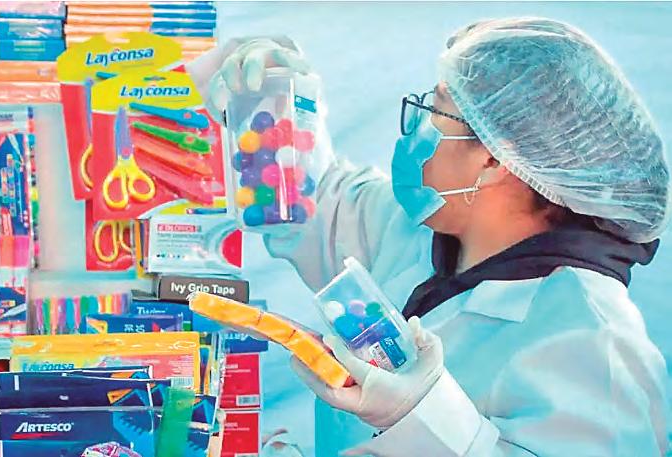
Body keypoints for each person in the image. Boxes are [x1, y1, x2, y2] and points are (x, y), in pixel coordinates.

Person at [190, 17, 671, 456]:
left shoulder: (598, 348)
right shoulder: (423, 232)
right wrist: (269, 98)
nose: (417, 126)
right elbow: (307, 203)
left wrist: (422, 416)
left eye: (436, 110)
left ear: (493, 160)